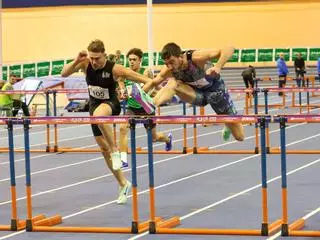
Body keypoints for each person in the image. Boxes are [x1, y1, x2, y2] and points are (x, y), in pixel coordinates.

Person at [61, 39, 153, 204]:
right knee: (102, 148)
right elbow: (64, 73)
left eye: (97, 58)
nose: (94, 62)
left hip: (111, 103)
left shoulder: (114, 68)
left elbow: (141, 78)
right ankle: (123, 183)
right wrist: (76, 59)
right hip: (94, 105)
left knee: (100, 118)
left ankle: (115, 150)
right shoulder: (85, 63)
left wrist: (146, 90)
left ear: (104, 55)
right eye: (92, 58)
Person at [131, 42, 244, 142]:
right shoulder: (169, 69)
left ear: (180, 56)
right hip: (197, 94)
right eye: (166, 64)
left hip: (216, 92)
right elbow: (153, 82)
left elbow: (230, 48)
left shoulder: (196, 57)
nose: (170, 66)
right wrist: (135, 96)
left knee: (240, 137)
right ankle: (151, 105)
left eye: (172, 62)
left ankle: (228, 125)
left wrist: (218, 66)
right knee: (173, 82)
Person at [117, 48, 172, 166]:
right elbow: (120, 84)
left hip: (146, 108)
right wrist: (122, 90)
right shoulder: (124, 73)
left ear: (140, 60)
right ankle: (123, 159)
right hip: (132, 108)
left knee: (154, 138)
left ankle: (167, 139)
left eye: (134, 60)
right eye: (130, 59)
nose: (131, 62)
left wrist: (164, 92)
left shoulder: (146, 72)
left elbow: (154, 84)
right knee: (122, 128)